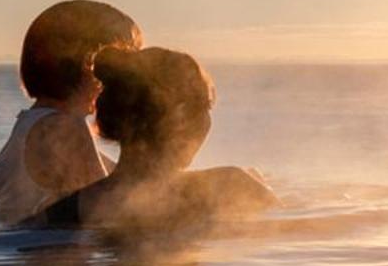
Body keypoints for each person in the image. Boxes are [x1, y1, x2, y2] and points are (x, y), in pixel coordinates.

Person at [39, 45, 277, 231]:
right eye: (206, 107)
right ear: (180, 116)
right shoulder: (230, 187)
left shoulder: (61, 212)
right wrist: (255, 185)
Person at [0, 0, 142, 224]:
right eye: (120, 64)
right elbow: (103, 212)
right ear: (87, 64)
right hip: (53, 256)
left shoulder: (35, 121)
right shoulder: (60, 129)